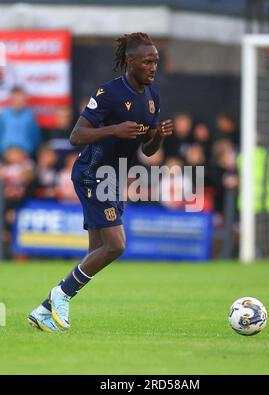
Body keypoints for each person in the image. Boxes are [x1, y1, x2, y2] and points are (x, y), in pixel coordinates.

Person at [28, 32, 173, 333]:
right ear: (130, 61)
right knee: (116, 245)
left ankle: (44, 310)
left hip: (113, 177)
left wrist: (157, 135)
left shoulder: (152, 97)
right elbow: (76, 136)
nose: (153, 67)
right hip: (91, 173)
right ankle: (60, 295)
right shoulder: (109, 94)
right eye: (148, 61)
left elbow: (146, 150)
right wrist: (114, 129)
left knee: (97, 250)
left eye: (156, 61)